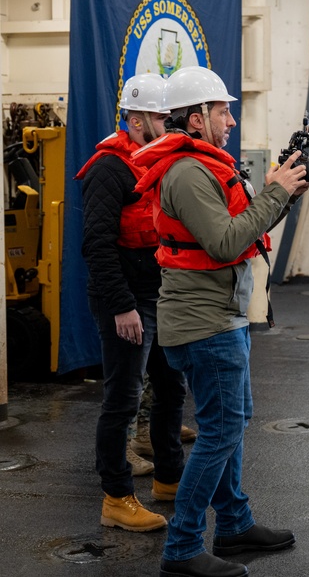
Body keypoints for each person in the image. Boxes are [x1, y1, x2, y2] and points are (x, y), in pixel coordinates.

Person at [131, 66, 308, 577]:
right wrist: (274, 192)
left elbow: (237, 229)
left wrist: (280, 192)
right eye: (222, 111)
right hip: (205, 324)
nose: (230, 121)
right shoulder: (188, 173)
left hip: (219, 315)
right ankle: (183, 547)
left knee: (227, 425)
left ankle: (233, 523)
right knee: (221, 430)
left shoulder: (203, 166)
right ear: (196, 116)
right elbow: (227, 242)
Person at [77, 73, 188, 532]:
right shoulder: (109, 168)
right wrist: (123, 306)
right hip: (125, 301)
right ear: (138, 118)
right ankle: (117, 499)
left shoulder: (154, 162)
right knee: (122, 399)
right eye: (161, 117)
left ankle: (168, 479)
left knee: (171, 389)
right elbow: (97, 246)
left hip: (157, 294)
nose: (168, 124)